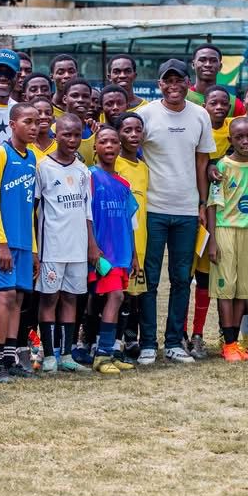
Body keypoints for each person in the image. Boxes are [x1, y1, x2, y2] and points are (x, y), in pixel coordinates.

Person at [136, 59, 215, 364]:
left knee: (182, 278)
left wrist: (202, 204)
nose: (173, 86)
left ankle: (173, 342)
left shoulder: (200, 115)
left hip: (187, 210)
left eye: (178, 80)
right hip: (153, 208)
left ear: (187, 83)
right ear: (159, 85)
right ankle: (147, 343)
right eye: (167, 81)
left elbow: (202, 162)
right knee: (150, 279)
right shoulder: (147, 114)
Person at [0, 103, 39, 383]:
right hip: (1, 241)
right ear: (13, 124)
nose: (34, 127)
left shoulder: (32, 157)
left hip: (24, 241)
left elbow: (30, 209)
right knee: (4, 297)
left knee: (18, 299)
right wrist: (1, 243)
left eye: (37, 122)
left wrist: (34, 249)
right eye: (28, 121)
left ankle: (10, 358)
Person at [35, 115, 95, 373]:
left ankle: (67, 354)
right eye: (66, 134)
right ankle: (49, 354)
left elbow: (87, 211)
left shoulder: (83, 170)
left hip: (77, 247)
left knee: (71, 297)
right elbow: (34, 209)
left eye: (77, 135)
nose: (72, 140)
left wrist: (91, 244)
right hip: (52, 246)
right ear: (55, 134)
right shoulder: (43, 167)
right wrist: (35, 248)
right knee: (50, 298)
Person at [187, 85, 235, 357]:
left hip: (220, 215)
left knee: (207, 279)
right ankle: (179, 333)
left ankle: (199, 334)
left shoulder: (233, 129)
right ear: (204, 106)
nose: (218, 107)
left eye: (223, 103)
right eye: (213, 103)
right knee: (184, 277)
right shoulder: (196, 126)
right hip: (190, 209)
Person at [207, 117, 248, 363]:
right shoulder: (222, 166)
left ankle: (235, 342)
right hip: (225, 229)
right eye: (239, 137)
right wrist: (212, 240)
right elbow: (212, 204)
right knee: (225, 288)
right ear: (231, 140)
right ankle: (227, 344)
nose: (245, 141)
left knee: (242, 290)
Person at [88, 125, 139, 374]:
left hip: (122, 252)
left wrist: (134, 255)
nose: (109, 146)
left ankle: (110, 352)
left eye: (114, 142)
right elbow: (86, 216)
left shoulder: (123, 183)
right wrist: (92, 247)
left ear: (120, 147)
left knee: (118, 298)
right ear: (95, 147)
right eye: (104, 142)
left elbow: (130, 223)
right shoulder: (90, 177)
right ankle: (101, 355)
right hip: (102, 252)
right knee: (114, 297)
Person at [114, 113, 148, 359]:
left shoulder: (144, 167)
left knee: (135, 292)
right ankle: (112, 340)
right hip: (119, 239)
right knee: (118, 292)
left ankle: (130, 338)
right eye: (127, 130)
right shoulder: (114, 164)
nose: (134, 135)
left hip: (141, 237)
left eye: (138, 130)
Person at [185, 44, 246, 116]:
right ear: (193, 65)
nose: (208, 65)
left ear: (220, 66)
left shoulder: (233, 103)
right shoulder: (183, 97)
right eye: (202, 60)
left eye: (213, 61)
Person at [63, 78, 98, 164]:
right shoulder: (53, 131)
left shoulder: (96, 131)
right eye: (75, 96)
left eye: (85, 96)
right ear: (65, 99)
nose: (80, 100)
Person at [29, 96, 57, 161]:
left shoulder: (61, 147)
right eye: (38, 113)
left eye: (48, 113)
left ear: (53, 118)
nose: (43, 117)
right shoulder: (23, 147)